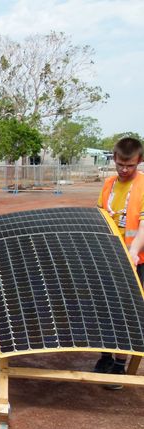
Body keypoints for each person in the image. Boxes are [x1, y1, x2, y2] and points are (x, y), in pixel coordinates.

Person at [94, 137, 144, 387]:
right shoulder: (108, 184)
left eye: (131, 165)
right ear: (114, 159)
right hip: (108, 257)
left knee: (128, 313)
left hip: (136, 260)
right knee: (105, 309)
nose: (125, 169)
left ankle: (119, 364)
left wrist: (133, 251)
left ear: (140, 161)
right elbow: (98, 214)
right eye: (121, 164)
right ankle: (104, 357)